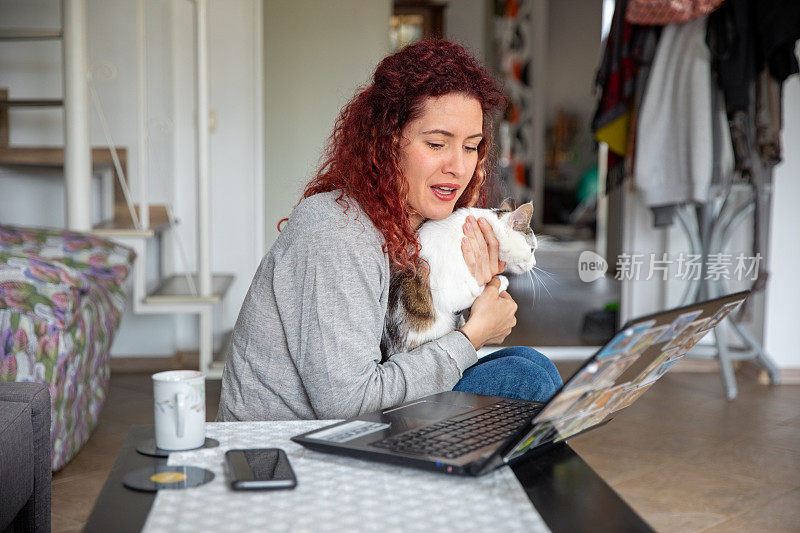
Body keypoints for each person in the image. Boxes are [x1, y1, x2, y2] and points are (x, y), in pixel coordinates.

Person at [217, 39, 562, 422]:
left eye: (470, 147)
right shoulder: (336, 231)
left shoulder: (422, 225)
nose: (458, 167)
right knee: (525, 378)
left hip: (347, 428)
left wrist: (470, 300)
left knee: (532, 363)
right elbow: (347, 403)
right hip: (289, 452)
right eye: (436, 144)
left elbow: (402, 349)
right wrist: (473, 336)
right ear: (387, 142)